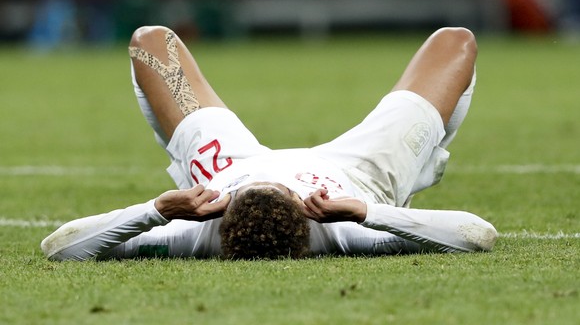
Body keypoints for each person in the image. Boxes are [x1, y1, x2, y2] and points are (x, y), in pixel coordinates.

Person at [41, 26, 498, 261]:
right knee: (455, 42)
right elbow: (476, 234)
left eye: (250, 189)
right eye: (277, 187)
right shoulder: (350, 232)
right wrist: (368, 210)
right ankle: (407, 176)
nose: (271, 179)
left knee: (151, 44)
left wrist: (157, 210)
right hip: (362, 173)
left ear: (224, 210)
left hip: (223, 165)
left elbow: (60, 247)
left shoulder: (195, 233)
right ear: (301, 205)